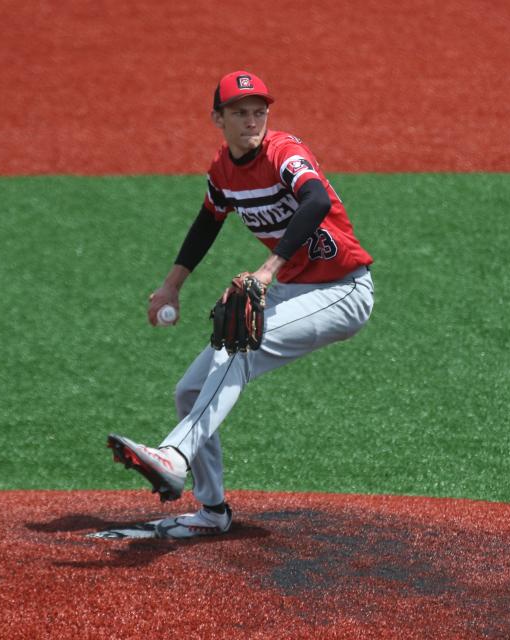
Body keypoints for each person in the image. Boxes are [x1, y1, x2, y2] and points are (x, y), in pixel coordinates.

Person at [108, 70, 374, 538]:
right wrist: (172, 285)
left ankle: (174, 456)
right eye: (239, 113)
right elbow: (207, 220)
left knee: (240, 347)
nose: (252, 120)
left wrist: (267, 270)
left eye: (259, 112)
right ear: (218, 118)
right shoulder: (223, 170)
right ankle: (211, 510)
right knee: (190, 390)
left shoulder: (284, 152)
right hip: (297, 290)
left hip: (342, 290)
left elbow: (313, 201)